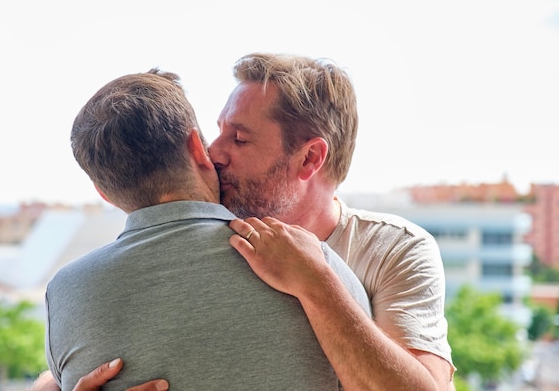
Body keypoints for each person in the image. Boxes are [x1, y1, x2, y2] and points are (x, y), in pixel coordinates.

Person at [40, 52, 456, 391]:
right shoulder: (199, 239)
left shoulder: (393, 250)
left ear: (310, 158)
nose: (212, 152)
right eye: (217, 132)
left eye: (239, 139)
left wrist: (315, 282)